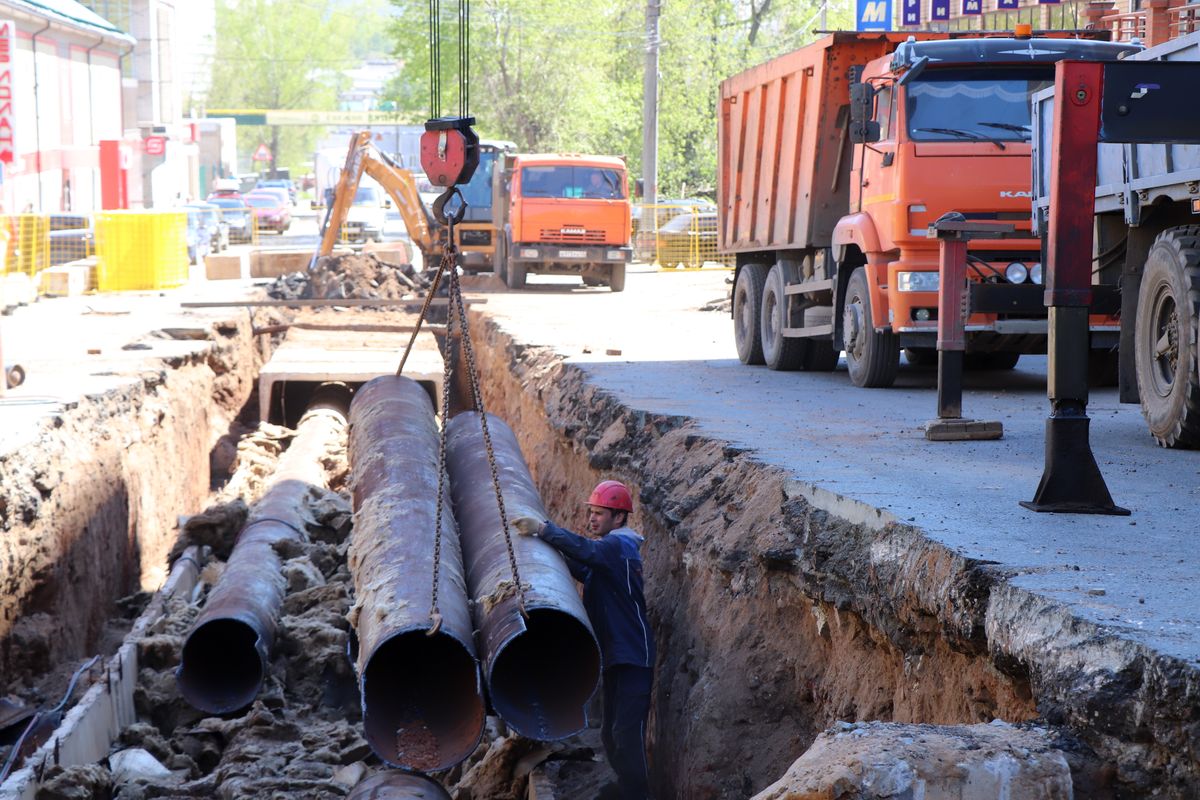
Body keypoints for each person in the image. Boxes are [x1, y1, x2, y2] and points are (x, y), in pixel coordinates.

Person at [512, 480, 655, 800]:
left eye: (600, 514)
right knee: (609, 734)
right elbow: (584, 565)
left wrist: (545, 530)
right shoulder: (605, 557)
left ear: (619, 518)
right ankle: (625, 787)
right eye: (591, 513)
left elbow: (587, 551)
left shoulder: (620, 547)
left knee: (626, 734)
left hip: (633, 657)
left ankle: (639, 794)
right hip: (617, 657)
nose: (592, 519)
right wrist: (549, 552)